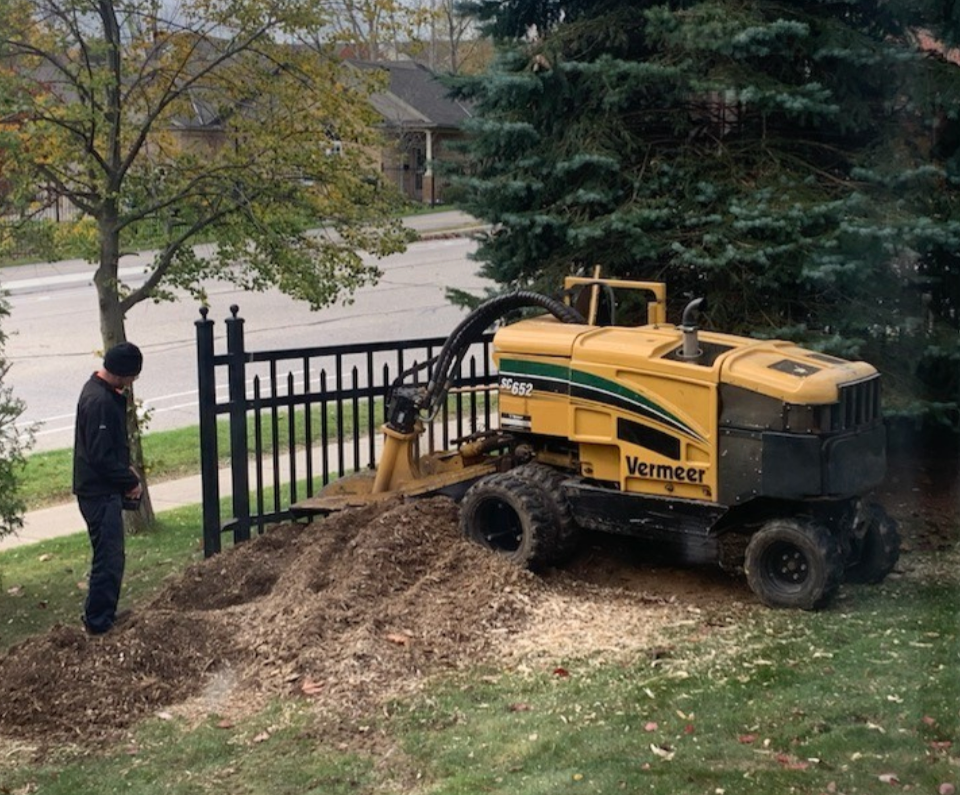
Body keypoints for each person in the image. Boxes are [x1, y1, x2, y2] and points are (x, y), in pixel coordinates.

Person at [73, 341, 144, 635]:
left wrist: (125, 469)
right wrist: (130, 481)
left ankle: (104, 614)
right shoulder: (100, 402)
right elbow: (100, 457)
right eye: (132, 376)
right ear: (122, 373)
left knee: (111, 556)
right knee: (109, 558)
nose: (133, 382)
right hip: (98, 493)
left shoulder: (102, 393)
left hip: (101, 490)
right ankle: (99, 622)